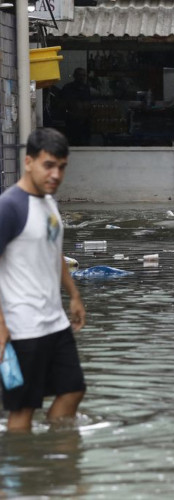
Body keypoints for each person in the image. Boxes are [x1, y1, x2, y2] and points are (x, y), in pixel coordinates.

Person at [0, 128, 87, 432]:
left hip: (54, 322)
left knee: (73, 389)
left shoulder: (49, 202)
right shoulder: (9, 207)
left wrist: (73, 295)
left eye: (61, 167)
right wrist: (1, 328)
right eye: (48, 165)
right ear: (28, 162)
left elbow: (54, 251)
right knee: (23, 411)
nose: (55, 174)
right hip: (22, 328)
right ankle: (23, 472)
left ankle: (54, 462)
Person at [60, 68, 91, 146]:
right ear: (74, 76)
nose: (82, 77)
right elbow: (62, 104)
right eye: (79, 75)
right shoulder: (67, 88)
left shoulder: (86, 88)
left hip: (84, 121)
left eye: (84, 75)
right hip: (72, 121)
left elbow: (88, 103)